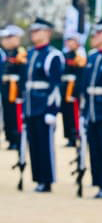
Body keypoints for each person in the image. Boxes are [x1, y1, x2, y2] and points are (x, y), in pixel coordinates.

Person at [75, 18, 102, 198]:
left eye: (99, 32)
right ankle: (98, 182)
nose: (95, 36)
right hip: (92, 110)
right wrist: (83, 112)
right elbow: (85, 87)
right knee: (94, 149)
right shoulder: (92, 57)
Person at [23, 18, 64, 192]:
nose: (34, 34)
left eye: (38, 30)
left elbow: (56, 86)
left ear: (47, 32)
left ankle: (46, 180)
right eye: (32, 31)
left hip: (43, 105)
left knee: (44, 145)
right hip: (31, 105)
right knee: (33, 145)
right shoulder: (30, 53)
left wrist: (52, 111)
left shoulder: (53, 55)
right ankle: (38, 177)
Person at [1, 25, 26, 150]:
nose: (5, 40)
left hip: (16, 90)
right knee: (8, 115)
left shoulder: (21, 54)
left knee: (16, 115)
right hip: (6, 89)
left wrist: (21, 92)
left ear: (16, 38)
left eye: (8, 37)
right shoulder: (4, 53)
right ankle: (10, 138)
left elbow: (23, 74)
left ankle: (18, 139)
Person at [61, 29, 86, 147]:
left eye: (72, 41)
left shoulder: (80, 56)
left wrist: (77, 91)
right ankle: (69, 137)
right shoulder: (64, 55)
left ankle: (76, 135)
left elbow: (81, 74)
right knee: (66, 114)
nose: (69, 43)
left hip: (74, 87)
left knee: (75, 113)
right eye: (68, 41)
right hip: (65, 87)